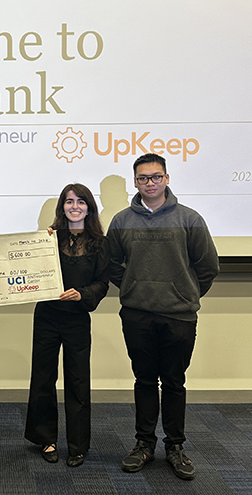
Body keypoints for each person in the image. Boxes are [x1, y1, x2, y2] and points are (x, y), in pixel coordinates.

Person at [107, 153, 219, 480]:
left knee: (173, 381)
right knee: (144, 381)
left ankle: (175, 446)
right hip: (137, 315)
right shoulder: (121, 221)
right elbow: (112, 263)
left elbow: (208, 266)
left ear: (167, 179)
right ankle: (143, 444)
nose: (150, 183)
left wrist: (185, 294)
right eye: (143, 178)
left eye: (156, 177)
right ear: (136, 182)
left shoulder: (190, 218)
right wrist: (132, 287)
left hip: (179, 316)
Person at [25, 183, 110, 467]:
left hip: (76, 319)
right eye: (69, 201)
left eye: (81, 202)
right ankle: (46, 439)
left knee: (77, 381)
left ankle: (78, 445)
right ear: (62, 207)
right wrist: (37, 248)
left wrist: (82, 294)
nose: (75, 206)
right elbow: (28, 274)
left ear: (89, 207)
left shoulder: (100, 243)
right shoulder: (47, 239)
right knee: (43, 379)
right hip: (47, 317)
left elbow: (102, 282)